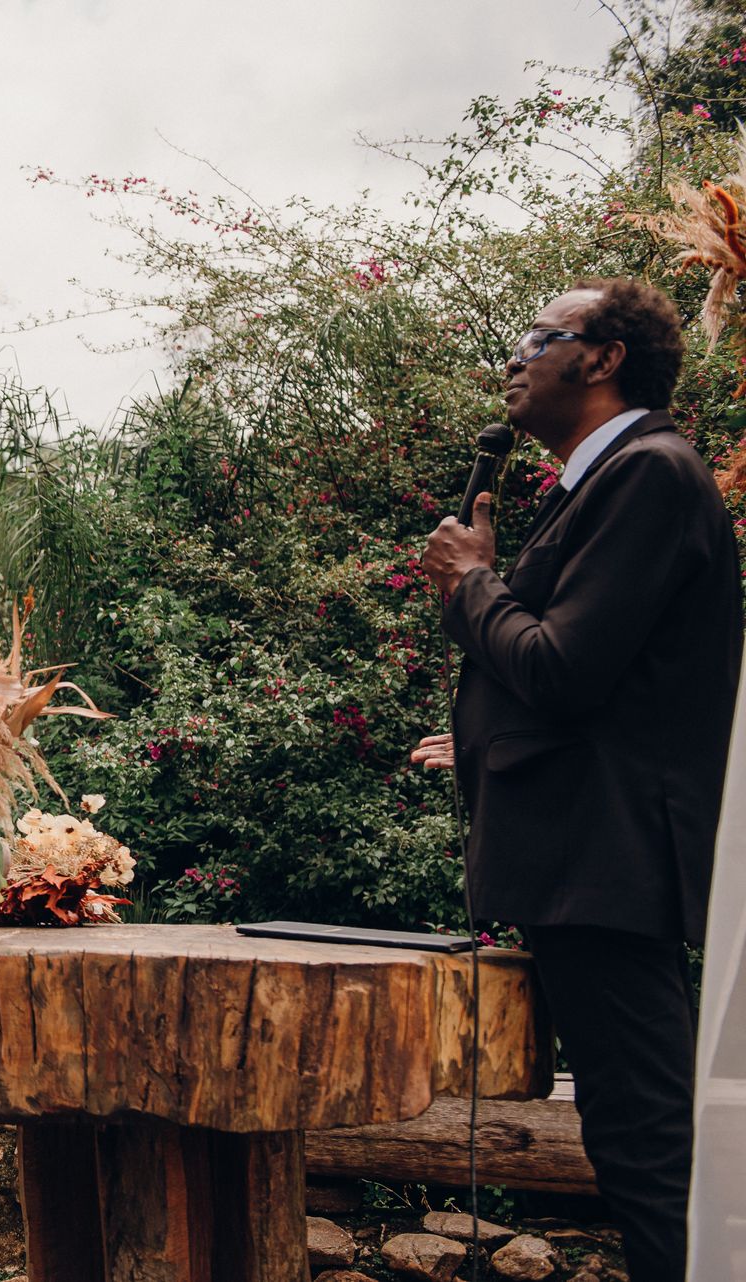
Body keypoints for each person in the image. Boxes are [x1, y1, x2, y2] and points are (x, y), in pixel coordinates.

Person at [413, 278, 742, 1282]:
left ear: (601, 359)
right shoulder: (602, 483)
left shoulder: (650, 472)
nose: (513, 358)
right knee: (630, 1133)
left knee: (647, 1146)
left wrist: (474, 582)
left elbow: (563, 667)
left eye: (536, 336)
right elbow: (609, 688)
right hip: (583, 862)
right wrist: (476, 740)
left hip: (609, 866)